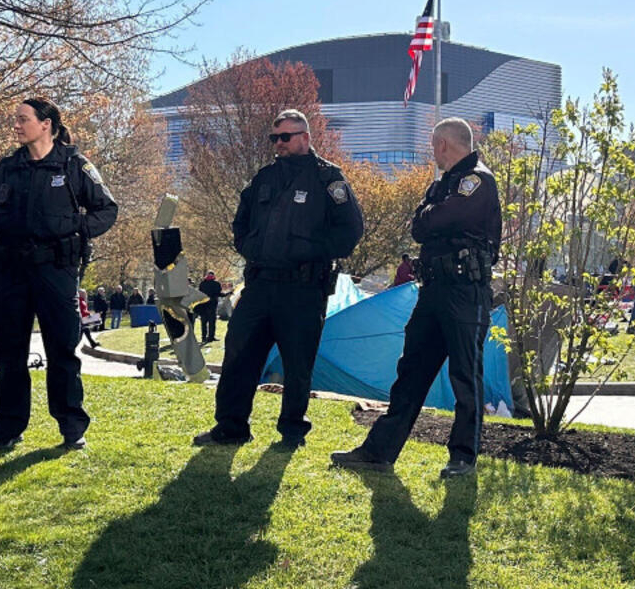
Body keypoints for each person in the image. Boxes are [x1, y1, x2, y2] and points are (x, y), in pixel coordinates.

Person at [333, 117, 501, 478]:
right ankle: (379, 451)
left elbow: (441, 220)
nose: (432, 153)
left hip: (465, 291)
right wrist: (433, 215)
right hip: (435, 291)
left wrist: (433, 215)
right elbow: (420, 226)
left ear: (443, 144)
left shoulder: (478, 180)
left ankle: (463, 458)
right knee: (410, 372)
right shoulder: (445, 184)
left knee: (465, 375)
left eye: (433, 146)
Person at [194, 109, 364, 448]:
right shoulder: (264, 177)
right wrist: (251, 248)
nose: (279, 144)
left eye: (285, 137)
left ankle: (291, 432)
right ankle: (231, 427)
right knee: (238, 355)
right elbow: (240, 224)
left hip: (302, 288)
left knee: (297, 364)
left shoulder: (327, 178)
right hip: (259, 285)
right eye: (274, 138)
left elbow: (351, 229)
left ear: (305, 137)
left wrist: (312, 252)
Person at [0, 96, 118, 451]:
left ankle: (71, 427)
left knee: (62, 351)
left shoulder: (74, 165)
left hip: (55, 270)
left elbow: (106, 209)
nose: (17, 125)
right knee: (9, 353)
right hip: (11, 272)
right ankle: (7, 429)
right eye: (16, 119)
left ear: (46, 124)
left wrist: (75, 228)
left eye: (23, 119)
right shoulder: (7, 168)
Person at [197, 270, 222, 343]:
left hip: (203, 305)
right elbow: (218, 293)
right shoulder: (216, 284)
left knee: (204, 322)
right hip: (212, 305)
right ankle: (211, 337)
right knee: (212, 322)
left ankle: (203, 337)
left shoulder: (202, 284)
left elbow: (200, 293)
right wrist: (226, 294)